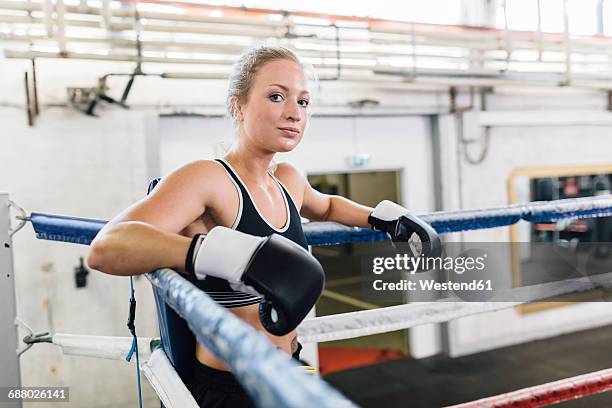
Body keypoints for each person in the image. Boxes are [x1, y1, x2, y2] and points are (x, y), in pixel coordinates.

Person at [86, 45, 439, 408]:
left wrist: (387, 218)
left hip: (289, 366)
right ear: (237, 106)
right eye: (276, 96)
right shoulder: (208, 178)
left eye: (303, 102)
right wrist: (216, 253)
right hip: (231, 385)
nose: (294, 113)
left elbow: (328, 205)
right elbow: (106, 247)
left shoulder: (287, 179)